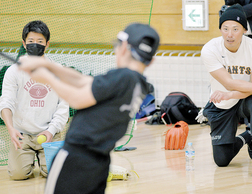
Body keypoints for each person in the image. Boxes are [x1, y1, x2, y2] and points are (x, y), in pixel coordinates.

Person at [19, 23, 160, 193]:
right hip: (99, 162)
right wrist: (51, 67)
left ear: (123, 47)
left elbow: (78, 99)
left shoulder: (122, 76)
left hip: (75, 157)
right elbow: (83, 81)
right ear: (151, 60)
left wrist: (46, 78)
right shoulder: (138, 84)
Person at [200, 4, 252, 177]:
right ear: (220, 29)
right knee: (222, 160)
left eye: (235, 29)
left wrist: (235, 93)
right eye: (225, 28)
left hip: (244, 98)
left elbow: (251, 88)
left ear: (244, 30)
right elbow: (230, 83)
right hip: (222, 102)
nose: (230, 34)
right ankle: (248, 135)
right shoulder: (209, 49)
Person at [0, 20, 69, 180]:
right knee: (18, 175)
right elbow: (6, 102)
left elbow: (63, 108)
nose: (35, 45)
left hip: (49, 134)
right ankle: (27, 158)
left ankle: (47, 159)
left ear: (47, 44)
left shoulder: (58, 71)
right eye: (31, 41)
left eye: (40, 41)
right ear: (24, 43)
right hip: (22, 135)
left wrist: (50, 131)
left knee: (55, 175)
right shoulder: (13, 71)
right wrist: (11, 128)